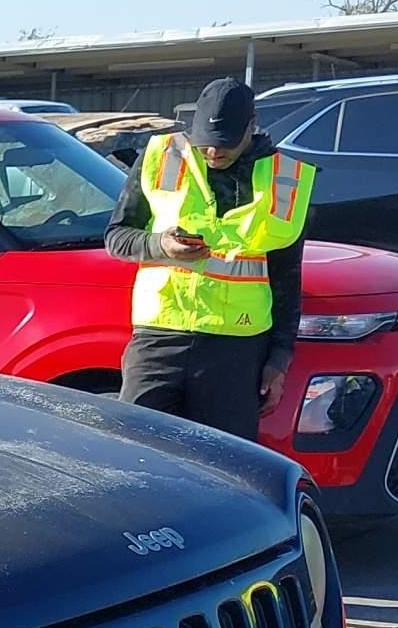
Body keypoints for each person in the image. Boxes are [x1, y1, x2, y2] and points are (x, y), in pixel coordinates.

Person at [105, 78, 313, 440]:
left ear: (252, 124)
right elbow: (117, 238)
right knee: (136, 452)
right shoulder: (161, 156)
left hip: (236, 350)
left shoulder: (285, 178)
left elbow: (286, 278)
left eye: (225, 145)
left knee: (225, 466)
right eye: (206, 146)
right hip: (159, 338)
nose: (214, 153)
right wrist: (160, 245)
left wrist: (279, 361)